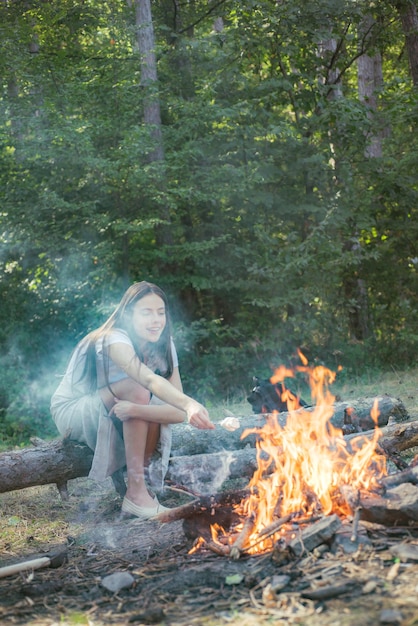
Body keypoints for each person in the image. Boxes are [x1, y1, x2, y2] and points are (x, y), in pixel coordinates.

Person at [51, 281, 215, 519]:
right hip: (72, 411)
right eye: (146, 312)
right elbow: (148, 381)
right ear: (129, 314)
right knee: (138, 388)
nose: (156, 320)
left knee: (147, 400)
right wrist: (190, 403)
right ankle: (136, 494)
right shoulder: (112, 339)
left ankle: (141, 486)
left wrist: (137, 410)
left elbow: (177, 412)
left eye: (161, 313)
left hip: (114, 405)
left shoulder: (164, 344)